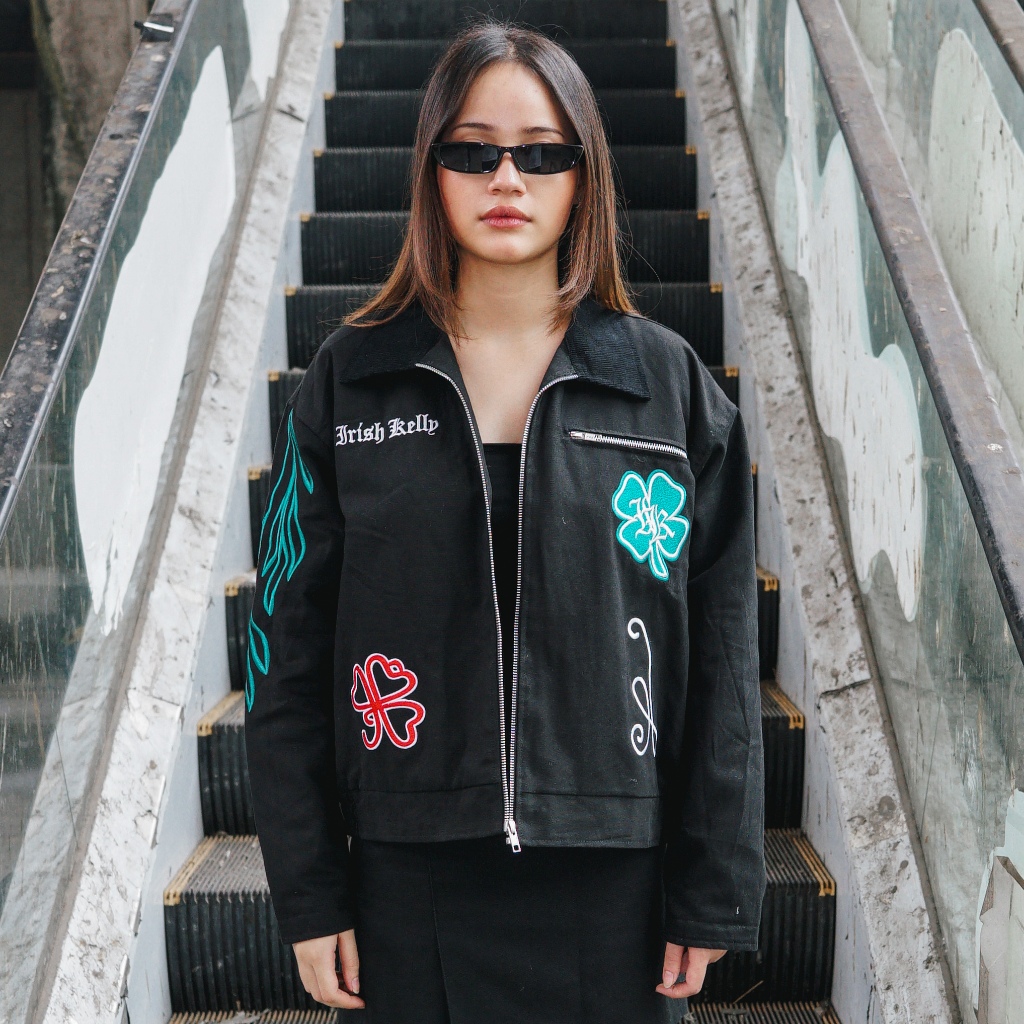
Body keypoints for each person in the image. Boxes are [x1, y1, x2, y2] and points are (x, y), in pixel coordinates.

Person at [244, 20, 765, 1024]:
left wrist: (712, 886)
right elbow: (284, 656)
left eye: (542, 154)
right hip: (408, 879)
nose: (507, 180)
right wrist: (309, 892)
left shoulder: (666, 388)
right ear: (432, 171)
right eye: (473, 152)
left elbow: (724, 658)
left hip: (616, 875)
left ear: (583, 176)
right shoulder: (351, 382)